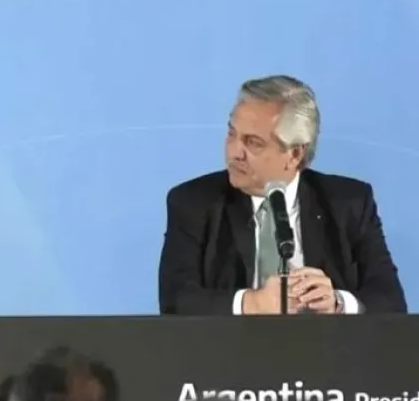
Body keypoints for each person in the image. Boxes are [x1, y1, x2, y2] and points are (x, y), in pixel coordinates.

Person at [158, 75, 406, 315]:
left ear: (295, 154)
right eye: (232, 133)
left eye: (253, 142)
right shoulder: (194, 202)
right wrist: (252, 303)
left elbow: (391, 301)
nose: (234, 152)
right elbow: (176, 300)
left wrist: (338, 303)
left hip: (324, 344)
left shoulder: (349, 203)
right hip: (229, 344)